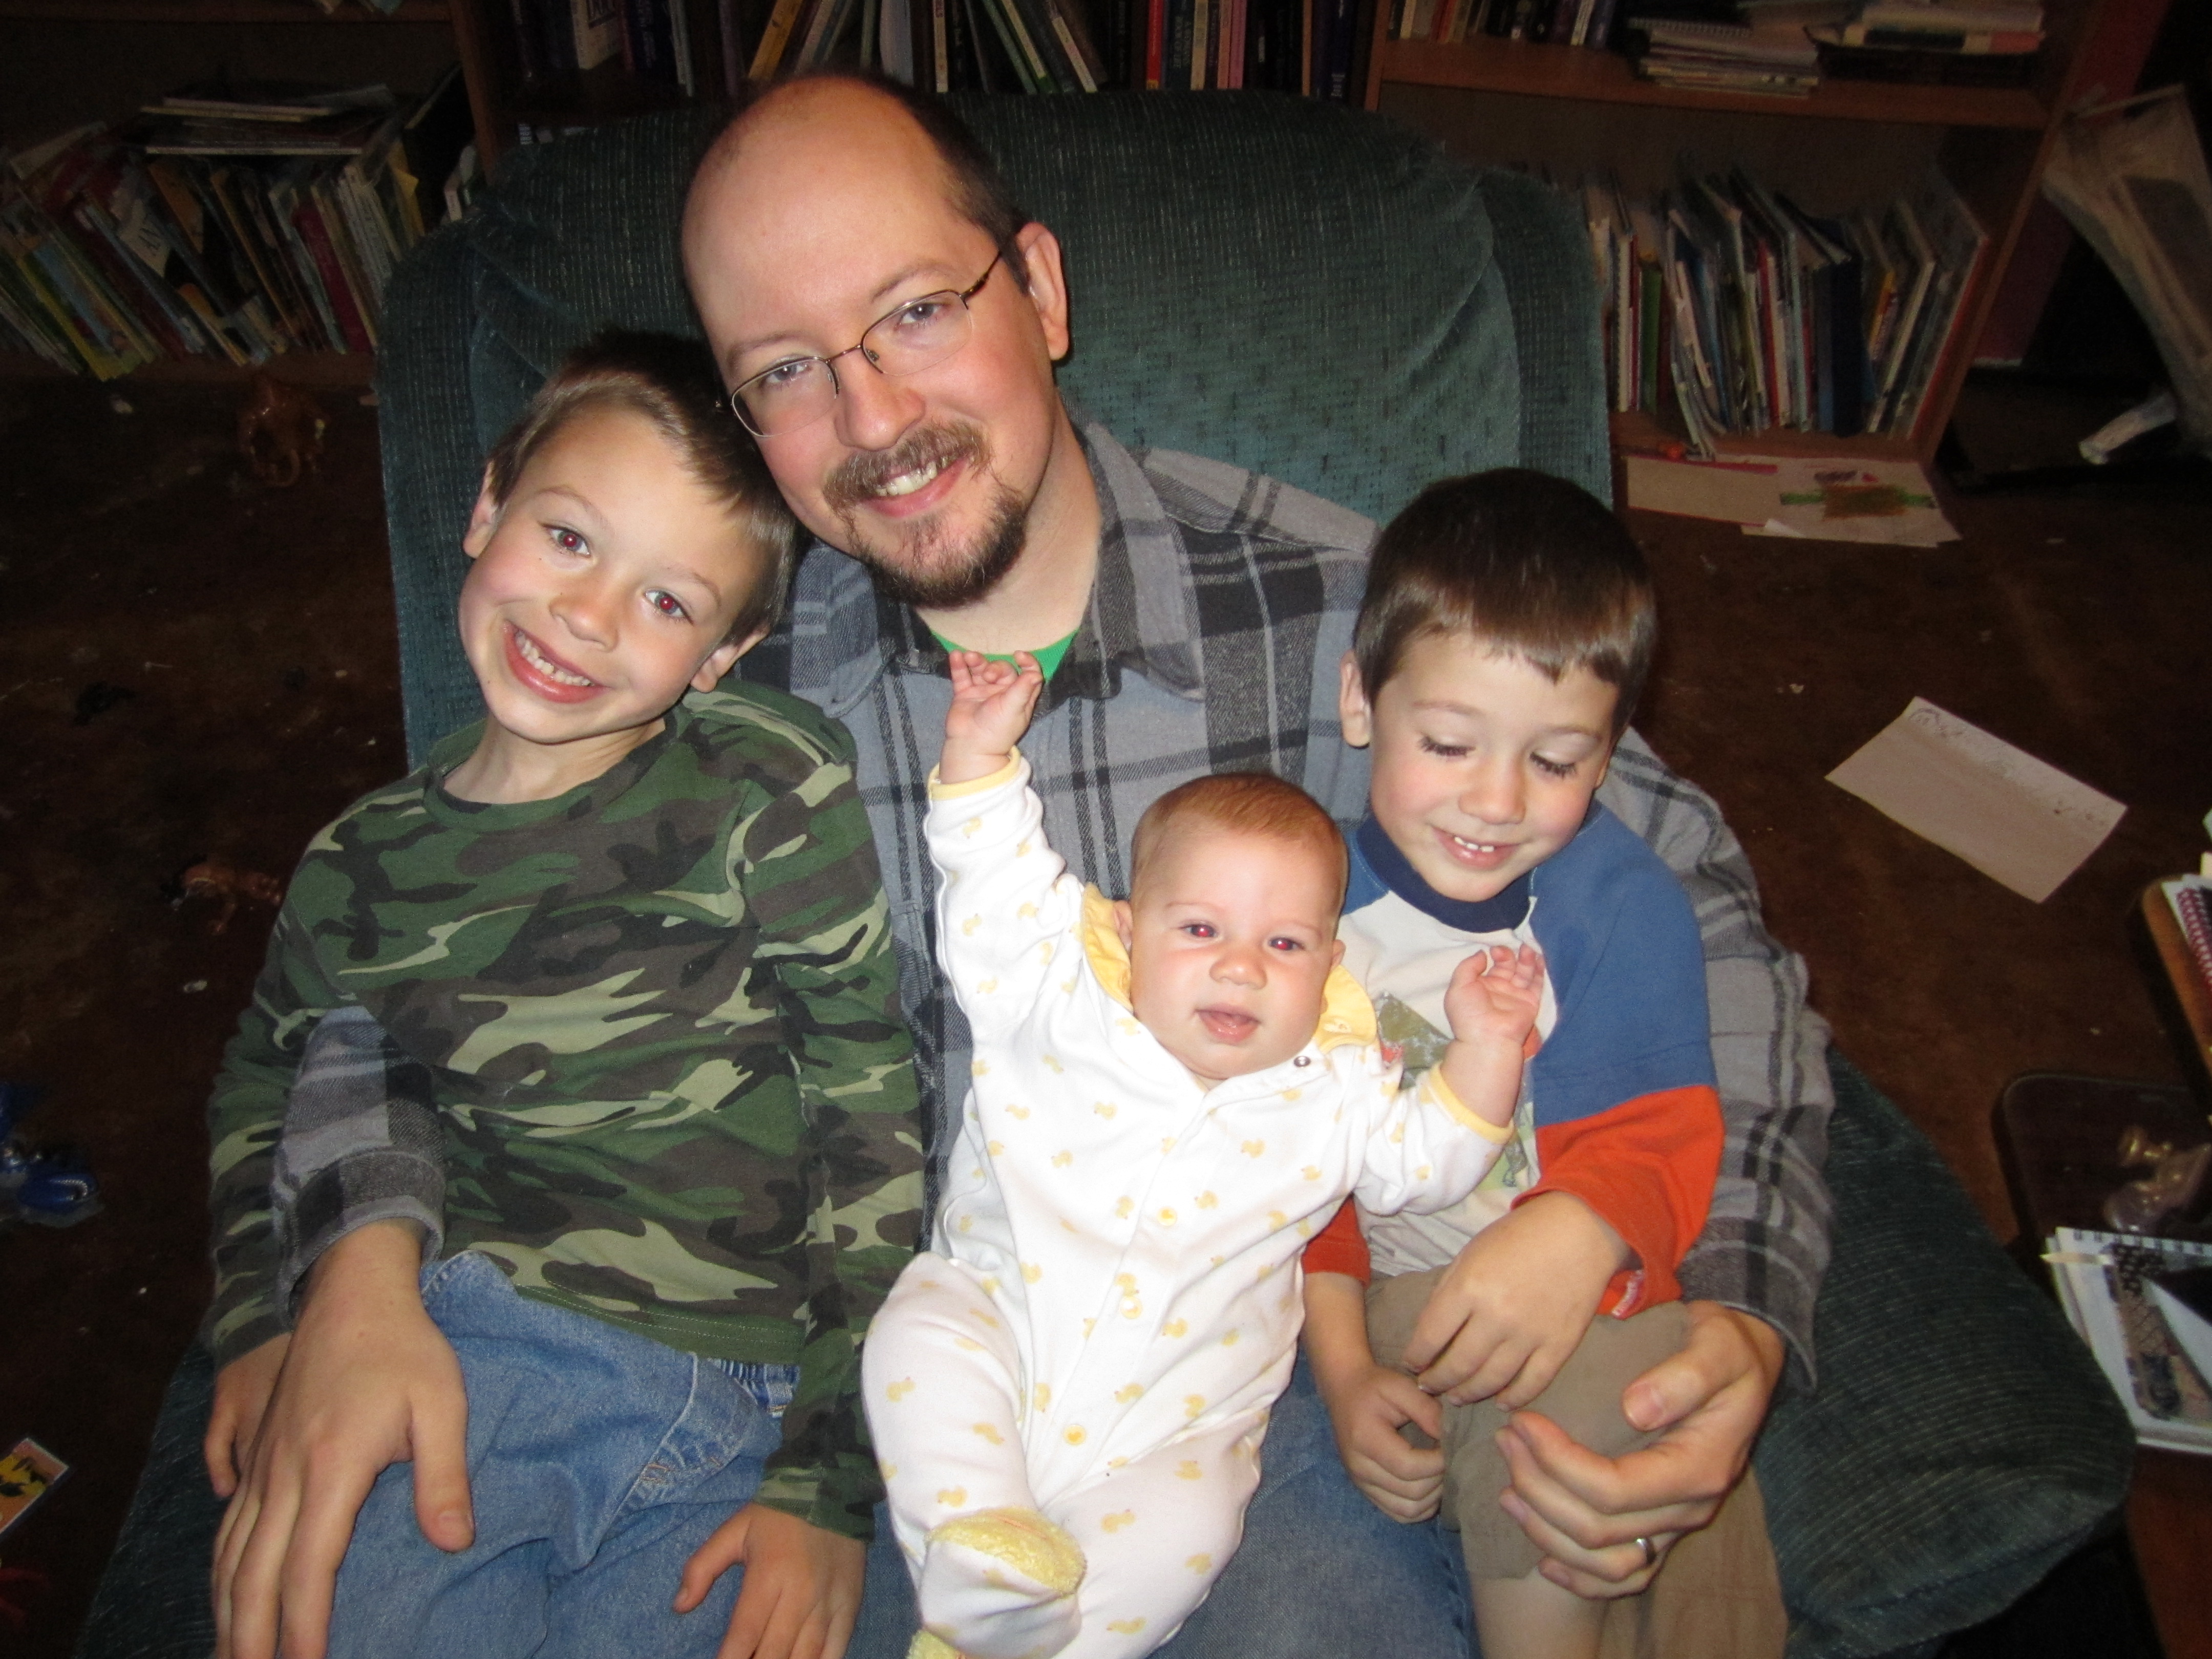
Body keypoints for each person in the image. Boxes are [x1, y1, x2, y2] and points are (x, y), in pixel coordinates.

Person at [206, 73, 1833, 1659]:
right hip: (887, 1377)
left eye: (918, 312)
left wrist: (1732, 1292)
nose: (874, 420)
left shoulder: (1341, 622)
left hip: (1237, 1385)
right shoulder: (703, 678)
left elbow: (1689, 892)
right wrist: (352, 1271)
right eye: (787, 369)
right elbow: (408, 959)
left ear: (1039, 289)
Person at [200, 332, 925, 1659]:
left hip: (761, 1392)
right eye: (570, 537)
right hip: (478, 1353)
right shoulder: (358, 868)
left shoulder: (767, 783)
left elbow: (870, 1113)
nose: (588, 617)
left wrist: (830, 1474)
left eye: (668, 602)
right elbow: (267, 1074)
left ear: (725, 651)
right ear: (488, 503)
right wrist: (260, 1321)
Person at [869, 649, 1536, 1659]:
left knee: (1189, 1531)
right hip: (999, 1330)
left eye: (1284, 945)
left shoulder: (1340, 1091)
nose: (1239, 966)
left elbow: (1431, 1161)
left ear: (1330, 965)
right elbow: (993, 878)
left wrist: (1486, 1048)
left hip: (1176, 1430)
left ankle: (1021, 1645)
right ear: (1128, 932)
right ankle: (981, 1540)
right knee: (918, 1341)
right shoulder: (1056, 996)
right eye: (1199, 928)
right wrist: (978, 751)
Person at [1296, 469, 1774, 1659]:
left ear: (1609, 758)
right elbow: (1292, 1167)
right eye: (1450, 743)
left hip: (1586, 1291)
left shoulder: (1618, 905)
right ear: (1360, 701)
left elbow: (1660, 1136)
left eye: (1556, 761)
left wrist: (1579, 1227)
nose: (1498, 800)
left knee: (1631, 1444)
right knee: (1542, 1457)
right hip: (1388, 1305)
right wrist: (1343, 1368)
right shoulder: (1307, 912)